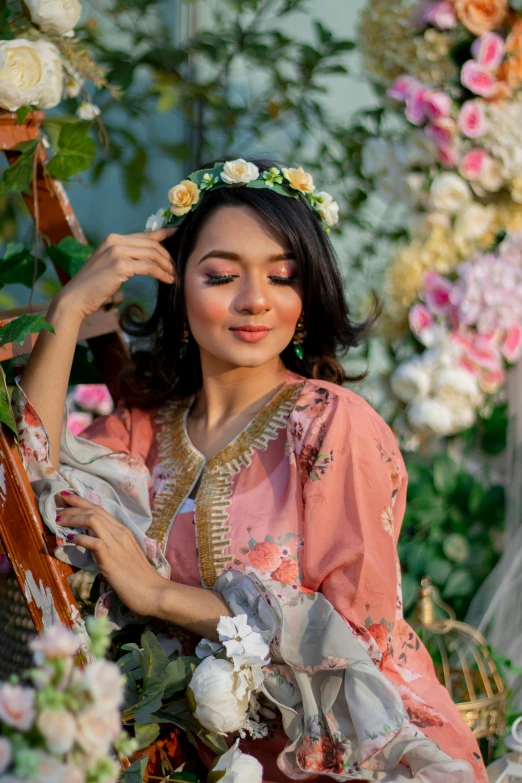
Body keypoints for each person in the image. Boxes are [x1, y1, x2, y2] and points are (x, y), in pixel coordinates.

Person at [12, 159, 486, 782]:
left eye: (282, 276)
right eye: (222, 275)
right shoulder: (144, 429)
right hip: (189, 759)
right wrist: (71, 308)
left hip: (347, 757)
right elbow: (26, 475)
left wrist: (160, 595)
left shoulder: (329, 426)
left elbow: (355, 636)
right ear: (180, 293)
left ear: (306, 298)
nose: (255, 299)